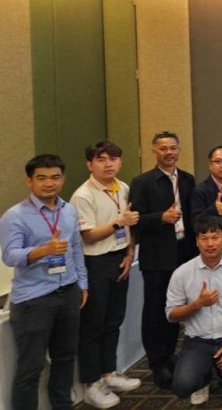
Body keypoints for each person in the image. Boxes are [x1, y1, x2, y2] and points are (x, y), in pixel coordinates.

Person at [0, 154, 89, 410]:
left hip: (68, 292)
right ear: (29, 181)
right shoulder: (15, 216)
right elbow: (9, 256)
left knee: (65, 358)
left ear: (63, 179)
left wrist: (82, 284)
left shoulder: (68, 210)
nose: (49, 183)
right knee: (31, 367)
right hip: (34, 299)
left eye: (55, 177)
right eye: (41, 178)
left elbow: (75, 248)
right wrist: (44, 251)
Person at [70, 141, 141, 408]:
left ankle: (108, 372)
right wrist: (118, 223)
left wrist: (129, 254)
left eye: (113, 158)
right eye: (101, 159)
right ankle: (91, 384)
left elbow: (130, 228)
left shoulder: (123, 187)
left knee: (113, 320)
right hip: (95, 262)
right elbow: (88, 236)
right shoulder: (82, 195)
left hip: (120, 258)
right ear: (90, 164)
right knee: (93, 325)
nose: (108, 164)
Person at [166, 215, 222, 407]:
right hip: (197, 342)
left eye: (215, 237)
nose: (210, 244)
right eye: (204, 238)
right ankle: (204, 377)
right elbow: (171, 315)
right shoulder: (182, 273)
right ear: (197, 241)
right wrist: (197, 304)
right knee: (182, 387)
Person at [128, 130, 196, 389]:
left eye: (173, 148)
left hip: (183, 253)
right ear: (154, 151)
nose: (169, 153)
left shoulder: (187, 180)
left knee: (176, 307)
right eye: (163, 148)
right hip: (157, 256)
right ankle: (157, 363)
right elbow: (134, 221)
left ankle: (170, 354)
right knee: (155, 310)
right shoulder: (142, 182)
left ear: (179, 150)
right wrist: (161, 217)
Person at [190, 145, 222, 253]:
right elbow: (195, 223)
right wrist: (214, 210)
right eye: (218, 161)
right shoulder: (200, 190)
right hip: (213, 248)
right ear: (210, 165)